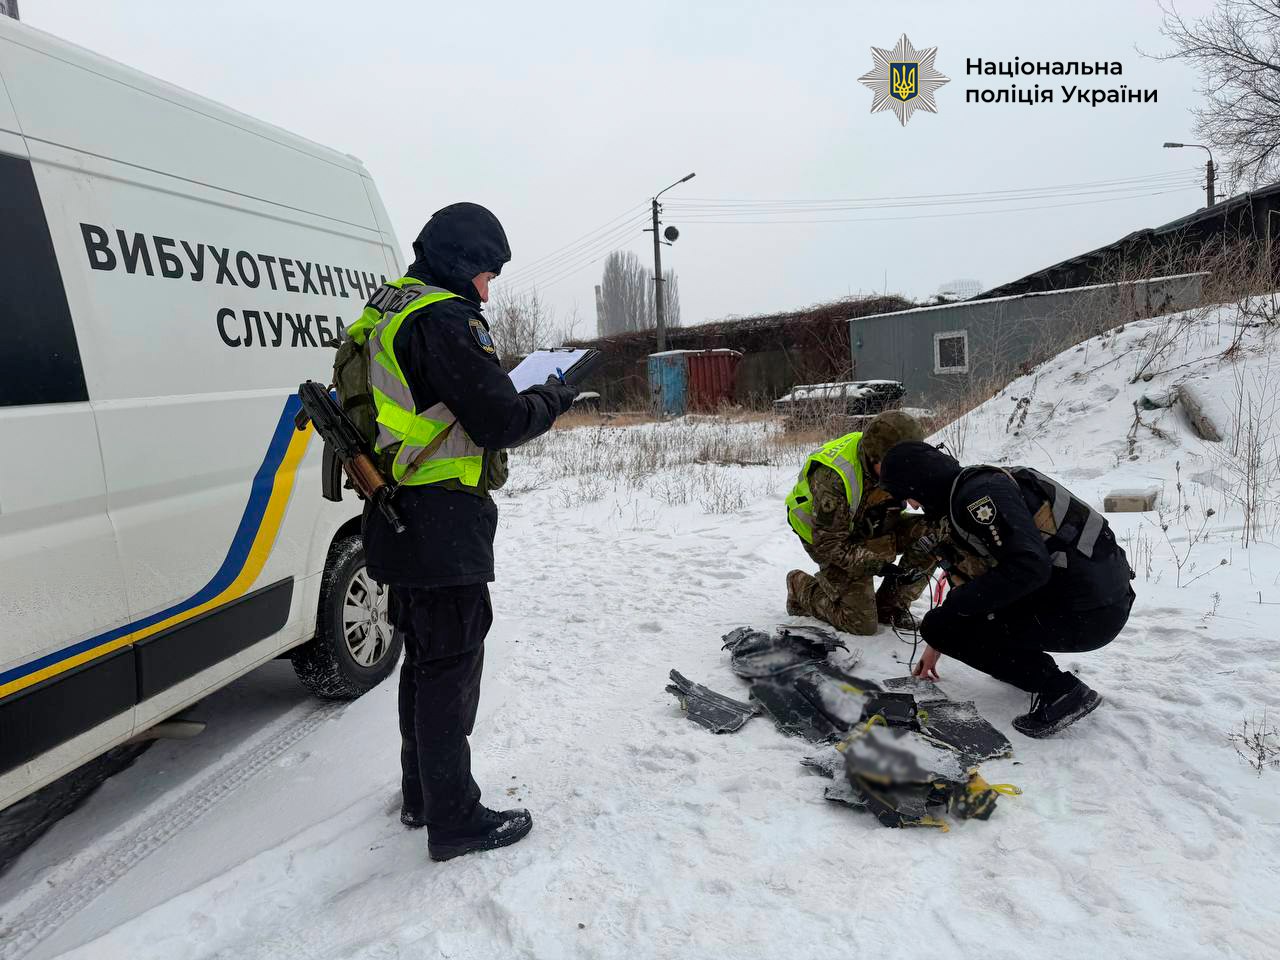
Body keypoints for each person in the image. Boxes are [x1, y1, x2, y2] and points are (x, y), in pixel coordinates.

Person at [355, 202, 579, 861]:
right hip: (441, 521)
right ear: (461, 263)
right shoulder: (446, 318)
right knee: (450, 669)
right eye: (487, 274)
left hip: (395, 511)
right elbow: (501, 421)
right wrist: (555, 396)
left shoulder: (388, 309)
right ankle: (455, 820)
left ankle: (423, 796)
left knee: (425, 663)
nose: (488, 289)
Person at [877, 441, 1135, 738]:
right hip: (1098, 598)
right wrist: (941, 637)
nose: (912, 505)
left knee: (944, 623)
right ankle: (1025, 669)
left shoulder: (978, 500)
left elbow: (1029, 568)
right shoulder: (978, 483)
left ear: (921, 483)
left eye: (909, 496)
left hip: (1090, 615)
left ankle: (1060, 690)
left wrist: (951, 616)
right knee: (950, 620)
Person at [784, 410, 936, 636]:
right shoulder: (834, 477)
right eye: (896, 467)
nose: (903, 475)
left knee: (935, 532)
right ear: (874, 457)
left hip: (869, 523)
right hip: (829, 540)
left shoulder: (892, 459)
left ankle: (890, 607)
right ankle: (799, 587)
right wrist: (878, 566)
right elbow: (830, 544)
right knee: (860, 624)